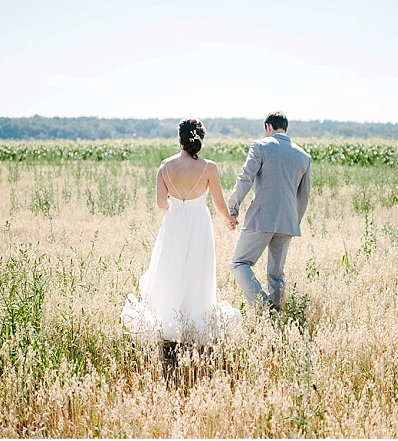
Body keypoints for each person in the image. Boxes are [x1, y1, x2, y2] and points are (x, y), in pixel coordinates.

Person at [121, 118, 241, 342]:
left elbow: (160, 203)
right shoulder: (209, 167)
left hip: (174, 221)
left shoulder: (165, 166)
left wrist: (175, 206)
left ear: (180, 138)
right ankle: (194, 315)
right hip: (199, 222)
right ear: (200, 139)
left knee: (172, 265)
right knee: (197, 266)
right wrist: (230, 220)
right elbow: (218, 204)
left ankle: (169, 316)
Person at [227, 111, 311, 312]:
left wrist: (233, 208)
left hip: (261, 217)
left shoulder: (260, 146)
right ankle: (276, 317)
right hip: (288, 221)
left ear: (268, 127)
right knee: (276, 273)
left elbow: (245, 178)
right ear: (286, 128)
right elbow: (304, 196)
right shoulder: (303, 156)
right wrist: (293, 221)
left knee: (239, 263)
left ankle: (264, 305)